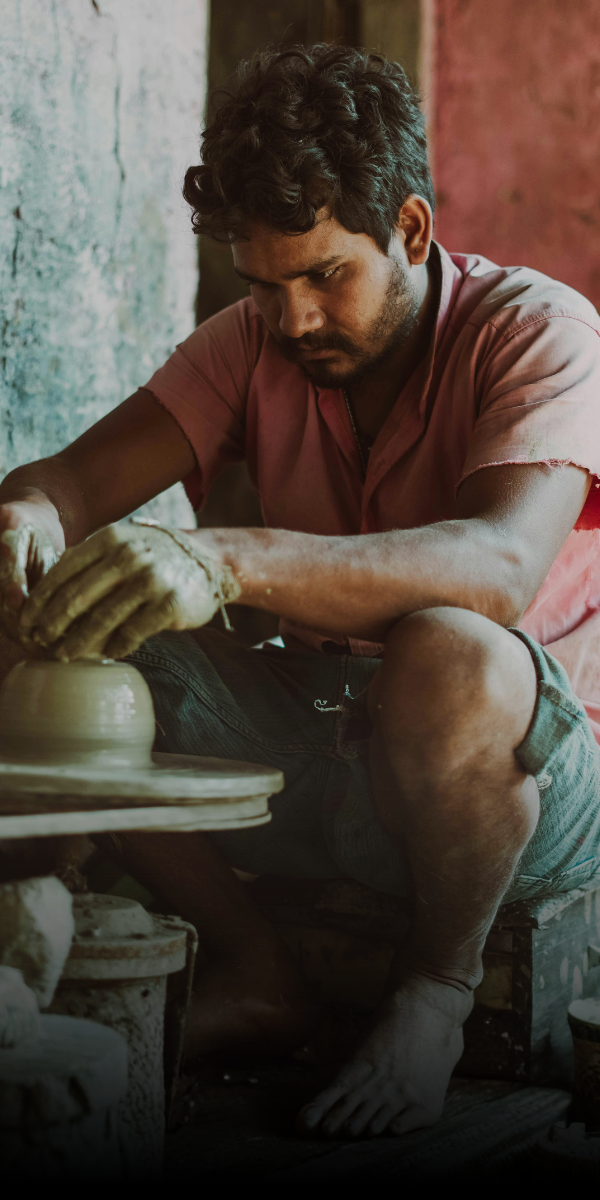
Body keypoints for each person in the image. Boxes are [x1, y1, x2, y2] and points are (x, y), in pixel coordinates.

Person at [1, 43, 600, 1140]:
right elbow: (69, 481)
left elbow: (499, 571)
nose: (294, 322)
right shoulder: (254, 340)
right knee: (50, 626)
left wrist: (221, 559)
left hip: (518, 786)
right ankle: (255, 964)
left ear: (410, 231)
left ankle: (434, 999)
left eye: (327, 275)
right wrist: (29, 520)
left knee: (447, 649)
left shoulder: (539, 331)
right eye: (262, 285)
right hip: (313, 746)